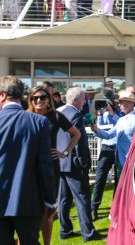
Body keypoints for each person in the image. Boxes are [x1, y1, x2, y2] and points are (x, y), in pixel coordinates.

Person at [0, 76, 57, 244]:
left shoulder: (39, 121)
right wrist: (50, 200)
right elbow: (45, 166)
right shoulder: (39, 122)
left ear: (2, 95)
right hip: (28, 200)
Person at [27, 86, 81, 245]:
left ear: (48, 100)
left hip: (51, 168)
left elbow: (76, 134)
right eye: (35, 98)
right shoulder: (26, 116)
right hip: (29, 167)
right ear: (30, 100)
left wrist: (65, 152)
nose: (39, 101)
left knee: (48, 210)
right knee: (29, 209)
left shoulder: (56, 116)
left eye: (43, 97)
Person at [57, 87, 104, 241]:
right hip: (74, 162)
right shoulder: (75, 114)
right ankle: (88, 232)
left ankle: (65, 230)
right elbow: (79, 141)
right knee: (82, 197)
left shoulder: (58, 113)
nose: (84, 102)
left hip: (61, 161)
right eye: (83, 99)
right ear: (76, 100)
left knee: (63, 199)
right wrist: (84, 162)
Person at [92, 90, 135, 179]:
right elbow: (109, 135)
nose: (119, 105)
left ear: (129, 103)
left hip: (132, 161)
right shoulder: (121, 120)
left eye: (121, 103)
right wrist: (97, 130)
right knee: (120, 188)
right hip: (119, 160)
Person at [91, 98, 120, 221]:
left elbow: (119, 124)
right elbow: (97, 130)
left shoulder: (119, 114)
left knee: (118, 181)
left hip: (118, 148)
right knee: (100, 179)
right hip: (106, 147)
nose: (104, 106)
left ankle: (116, 209)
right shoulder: (100, 115)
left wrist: (112, 112)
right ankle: (94, 208)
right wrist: (99, 114)